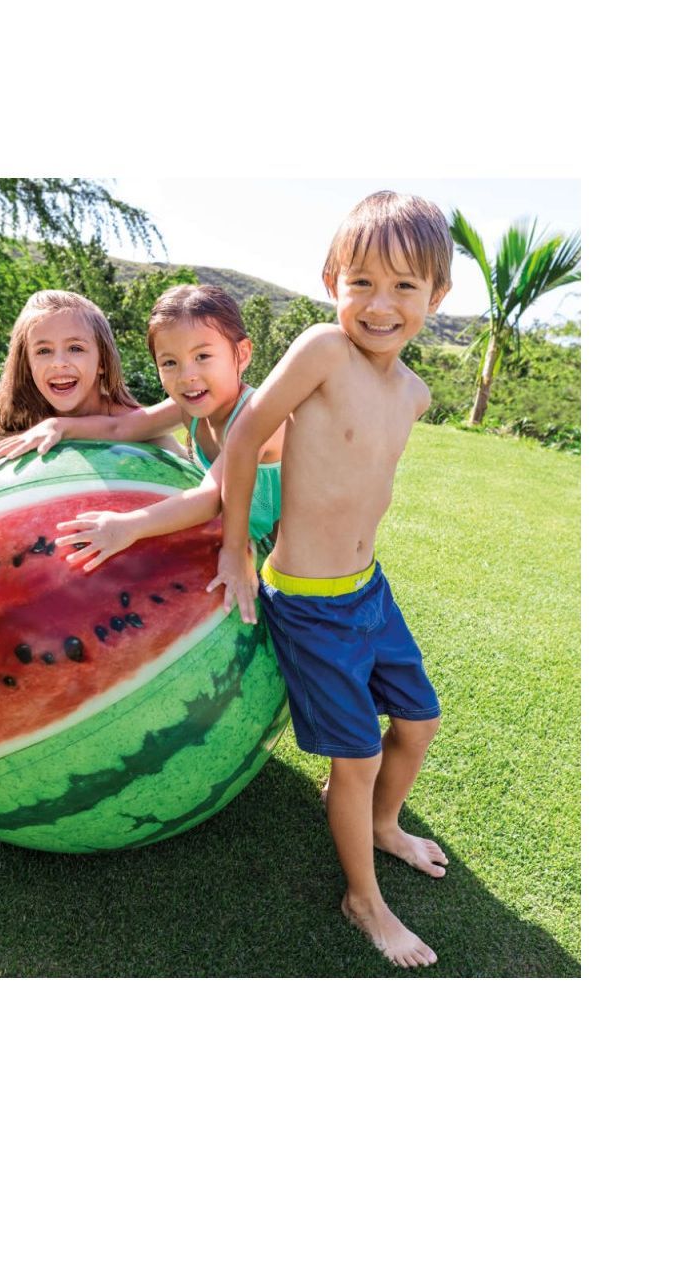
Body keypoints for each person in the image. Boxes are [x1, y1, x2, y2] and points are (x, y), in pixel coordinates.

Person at [210, 191, 453, 968]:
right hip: (309, 605)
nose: (381, 305)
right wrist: (235, 549)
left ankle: (382, 825)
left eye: (405, 286)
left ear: (436, 296)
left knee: (418, 724)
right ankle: (363, 901)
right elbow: (247, 436)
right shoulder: (322, 350)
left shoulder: (414, 394)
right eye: (362, 283)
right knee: (358, 758)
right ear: (331, 282)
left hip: (368, 593)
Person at [0, 284, 284, 571]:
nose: (187, 375)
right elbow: (121, 428)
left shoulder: (255, 416)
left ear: (242, 354)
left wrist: (129, 525)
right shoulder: (187, 407)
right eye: (170, 362)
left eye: (202, 356)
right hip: (252, 546)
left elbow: (211, 498)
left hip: (292, 561)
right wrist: (59, 426)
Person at [0, 289, 181, 560]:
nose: (59, 363)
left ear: (102, 361)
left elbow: (190, 481)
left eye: (75, 348)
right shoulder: (27, 425)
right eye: (43, 351)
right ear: (27, 363)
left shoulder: (138, 427)